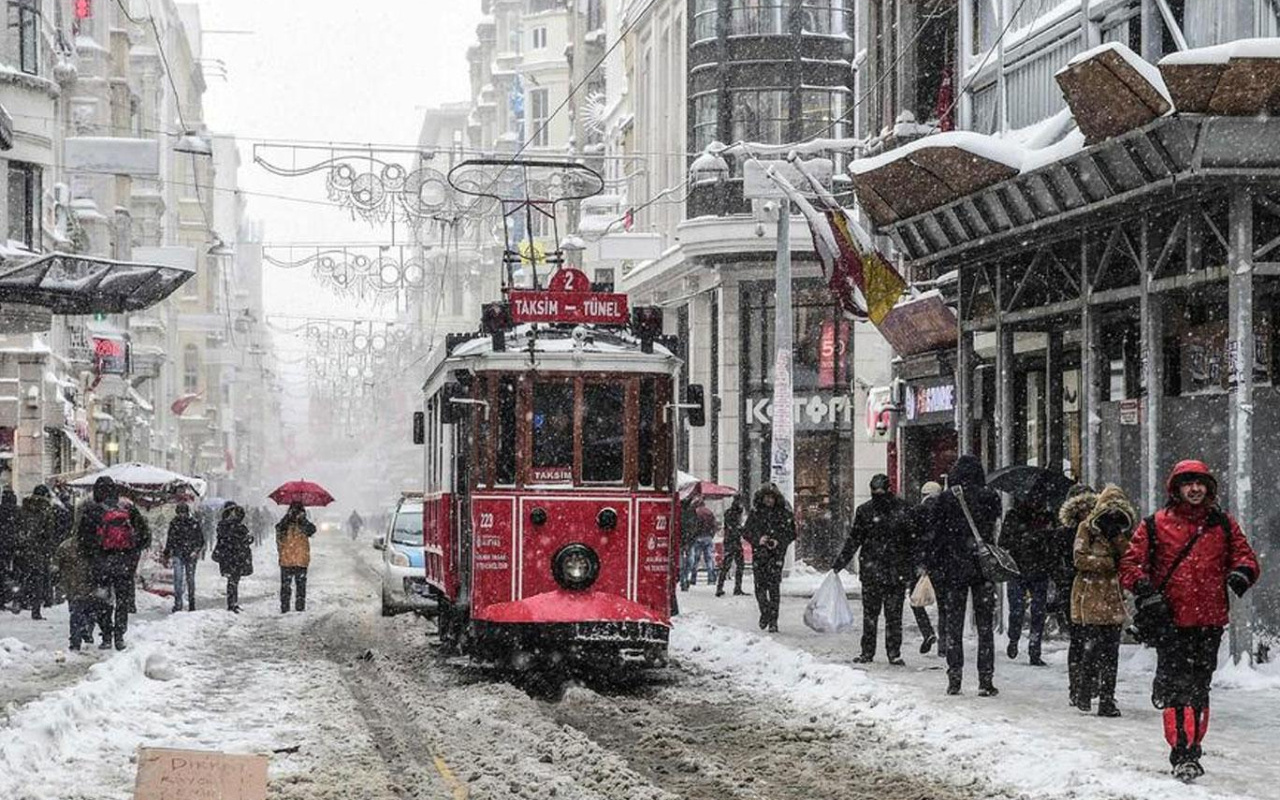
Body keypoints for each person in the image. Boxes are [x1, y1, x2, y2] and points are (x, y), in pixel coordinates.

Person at [1119, 460, 1260, 783]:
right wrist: (1145, 590)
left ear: (1208, 488)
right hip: (1170, 621)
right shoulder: (1155, 525)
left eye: (1200, 484)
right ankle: (1183, 753)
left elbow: (1245, 556)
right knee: (1180, 689)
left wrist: (1241, 573)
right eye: (1188, 484)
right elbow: (1130, 563)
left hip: (1209, 621)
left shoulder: (1222, 524)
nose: (1195, 489)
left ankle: (1193, 745)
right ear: (1176, 489)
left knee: (1199, 688)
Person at [922, 455, 1003, 697]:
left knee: (953, 623)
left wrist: (932, 564)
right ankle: (985, 679)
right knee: (985, 625)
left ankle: (954, 677)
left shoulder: (946, 499)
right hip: (982, 567)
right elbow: (994, 531)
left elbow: (934, 536)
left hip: (954, 568)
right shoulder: (990, 497)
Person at [832, 474, 915, 665]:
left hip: (881, 569)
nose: (878, 495)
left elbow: (855, 539)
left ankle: (875, 651)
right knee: (886, 615)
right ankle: (888, 652)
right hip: (889, 570)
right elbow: (855, 538)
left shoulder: (869, 510)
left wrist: (840, 563)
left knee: (878, 614)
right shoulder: (900, 509)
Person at [1070, 484, 1135, 718]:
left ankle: (1107, 698)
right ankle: (1085, 691)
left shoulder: (1123, 532)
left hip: (1114, 597)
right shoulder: (1086, 528)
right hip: (1092, 595)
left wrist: (1117, 538)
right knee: (1092, 647)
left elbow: (1130, 557)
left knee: (1111, 652)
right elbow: (1079, 559)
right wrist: (1108, 563)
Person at [78, 477, 150, 650]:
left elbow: (82, 539)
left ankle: (106, 635)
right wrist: (131, 552)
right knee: (122, 600)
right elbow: (145, 535)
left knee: (102, 600)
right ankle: (119, 635)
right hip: (124, 564)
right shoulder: (128, 508)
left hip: (101, 563)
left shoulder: (91, 510)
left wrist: (92, 555)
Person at [1001, 491, 1058, 666]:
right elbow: (1003, 541)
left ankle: (1035, 649)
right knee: (1017, 609)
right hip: (1018, 569)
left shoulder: (1047, 518)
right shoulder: (1014, 516)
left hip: (1039, 569)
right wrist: (1023, 539)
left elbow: (1054, 543)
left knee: (1038, 612)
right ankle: (1014, 638)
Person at [1054, 484, 1098, 705]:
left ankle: (1085, 684)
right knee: (1082, 639)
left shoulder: (1096, 530)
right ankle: (1081, 685)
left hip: (1087, 589)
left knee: (1087, 639)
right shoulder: (1067, 534)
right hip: (1075, 590)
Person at [743, 483, 794, 633]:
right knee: (760, 587)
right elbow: (746, 532)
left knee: (773, 588)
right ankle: (765, 612)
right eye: (766, 497)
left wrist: (778, 540)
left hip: (776, 555)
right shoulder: (756, 513)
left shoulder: (784, 513)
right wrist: (759, 539)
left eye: (771, 497)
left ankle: (773, 620)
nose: (769, 500)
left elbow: (791, 533)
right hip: (760, 554)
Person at [910, 481, 944, 655]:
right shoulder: (945, 512)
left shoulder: (916, 512)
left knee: (916, 599)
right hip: (941, 563)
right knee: (944, 604)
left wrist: (918, 562)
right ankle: (944, 644)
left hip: (920, 563)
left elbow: (911, 539)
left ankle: (927, 631)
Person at [17, 485, 58, 620]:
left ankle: (20, 601)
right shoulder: (46, 509)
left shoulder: (24, 508)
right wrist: (49, 550)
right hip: (39, 549)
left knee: (24, 576)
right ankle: (36, 610)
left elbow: (19, 527)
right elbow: (49, 532)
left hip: (23, 548)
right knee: (38, 579)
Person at [52, 533, 96, 650]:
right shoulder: (94, 544)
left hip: (71, 584)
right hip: (89, 584)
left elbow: (56, 566)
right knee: (89, 610)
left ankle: (75, 640)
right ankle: (86, 630)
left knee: (75, 612)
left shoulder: (66, 545)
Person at [163, 503, 205, 612]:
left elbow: (200, 540)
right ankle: (178, 603)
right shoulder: (175, 523)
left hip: (190, 554)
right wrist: (167, 552)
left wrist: (195, 551)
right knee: (178, 579)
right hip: (179, 554)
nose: (181, 515)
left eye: (183, 512)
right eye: (180, 513)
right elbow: (170, 539)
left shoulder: (193, 523)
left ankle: (191, 602)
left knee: (189, 579)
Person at [212, 503, 253, 612]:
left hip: (236, 557)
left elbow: (245, 539)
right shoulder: (225, 526)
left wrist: (248, 539)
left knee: (234, 580)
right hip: (230, 556)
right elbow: (228, 539)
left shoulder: (236, 525)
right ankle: (231, 604)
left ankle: (234, 603)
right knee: (232, 580)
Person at [276, 502, 316, 613]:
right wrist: (289, 518)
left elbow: (312, 530)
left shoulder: (302, 524)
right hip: (293, 559)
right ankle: (291, 607)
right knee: (294, 585)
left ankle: (294, 607)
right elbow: (279, 530)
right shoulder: (285, 523)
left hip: (293, 559)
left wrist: (302, 520)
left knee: (293, 585)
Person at [716, 493, 747, 597]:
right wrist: (741, 530)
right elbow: (734, 528)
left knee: (728, 565)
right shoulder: (735, 512)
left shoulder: (730, 512)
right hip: (733, 541)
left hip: (731, 541)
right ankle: (734, 588)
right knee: (735, 565)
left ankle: (721, 587)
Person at [686, 498, 718, 587]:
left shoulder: (696, 512)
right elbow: (714, 525)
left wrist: (693, 536)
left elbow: (694, 526)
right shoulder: (709, 512)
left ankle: (693, 578)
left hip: (698, 538)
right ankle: (711, 578)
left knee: (696, 560)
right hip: (708, 537)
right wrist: (711, 535)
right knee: (709, 559)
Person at [1, 487, 22, 611]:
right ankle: (16, 598)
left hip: (2, 545)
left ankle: (3, 598)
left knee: (3, 572)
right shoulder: (18, 511)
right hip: (15, 545)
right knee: (16, 572)